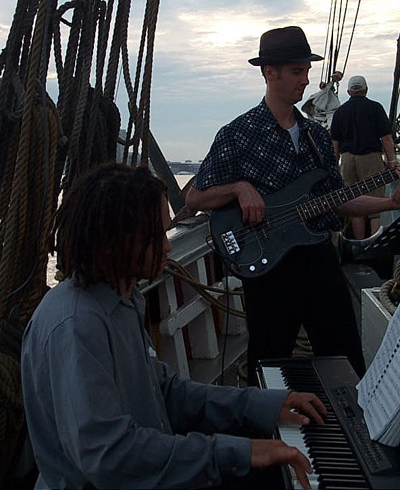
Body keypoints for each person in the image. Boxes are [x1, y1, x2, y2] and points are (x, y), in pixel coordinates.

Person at [21, 161, 327, 490]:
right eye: (155, 237)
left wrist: (265, 405)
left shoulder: (123, 298)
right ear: (113, 242)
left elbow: (166, 392)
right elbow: (110, 456)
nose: (168, 246)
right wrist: (239, 452)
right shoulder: (76, 325)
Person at [186, 26, 400, 386]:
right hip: (268, 269)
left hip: (319, 259)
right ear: (270, 72)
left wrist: (390, 201)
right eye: (297, 71)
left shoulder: (317, 136)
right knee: (268, 366)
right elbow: (194, 197)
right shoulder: (238, 134)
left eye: (306, 70)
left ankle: (349, 419)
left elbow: (339, 198)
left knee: (346, 359)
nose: (306, 80)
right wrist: (240, 188)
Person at [331, 75, 396, 239]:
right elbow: (386, 137)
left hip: (347, 160)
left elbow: (335, 142)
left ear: (348, 92)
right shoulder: (375, 108)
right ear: (366, 90)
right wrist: (391, 161)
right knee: (376, 204)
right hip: (370, 159)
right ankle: (373, 242)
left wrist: (333, 166)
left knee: (354, 203)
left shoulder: (340, 112)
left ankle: (358, 243)